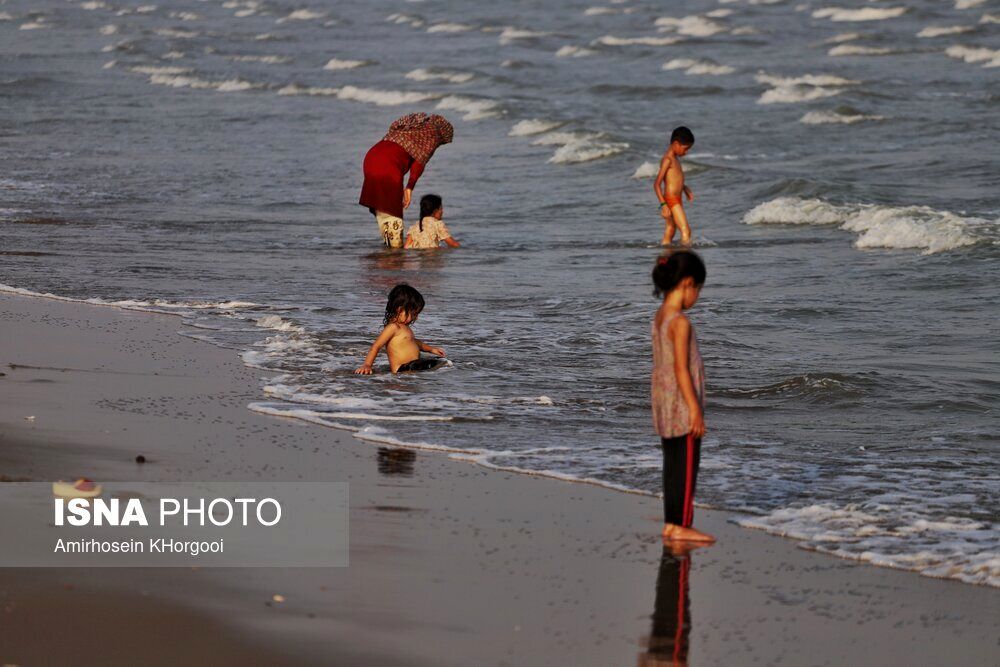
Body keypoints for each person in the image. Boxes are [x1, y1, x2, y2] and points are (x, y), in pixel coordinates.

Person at [651, 250, 713, 543]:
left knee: (672, 465)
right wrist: (695, 410)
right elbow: (681, 369)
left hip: (664, 402)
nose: (697, 296)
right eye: (698, 289)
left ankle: (671, 523)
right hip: (681, 402)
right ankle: (682, 524)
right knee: (687, 466)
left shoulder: (661, 315)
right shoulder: (681, 322)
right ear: (688, 283)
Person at [359, 113, 454, 249]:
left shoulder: (407, 131)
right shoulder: (429, 137)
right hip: (388, 167)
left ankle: (388, 249)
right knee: (392, 213)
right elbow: (419, 163)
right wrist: (409, 187)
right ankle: (394, 252)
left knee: (383, 209)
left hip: (371, 159)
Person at [354, 284, 446, 374]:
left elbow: (414, 342)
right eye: (414, 314)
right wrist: (367, 365)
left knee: (439, 361)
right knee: (438, 364)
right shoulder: (393, 327)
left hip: (412, 367)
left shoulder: (405, 327)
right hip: (402, 369)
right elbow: (376, 347)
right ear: (400, 310)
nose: (416, 318)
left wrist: (431, 349)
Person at [653, 126, 695, 246]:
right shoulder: (668, 159)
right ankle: (685, 258)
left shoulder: (675, 158)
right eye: (685, 149)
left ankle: (665, 251)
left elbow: (674, 180)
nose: (686, 152)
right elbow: (656, 184)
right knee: (686, 230)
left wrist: (684, 187)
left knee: (671, 228)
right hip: (671, 200)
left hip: (676, 198)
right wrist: (663, 204)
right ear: (676, 144)